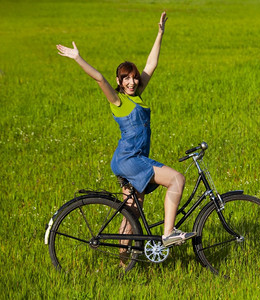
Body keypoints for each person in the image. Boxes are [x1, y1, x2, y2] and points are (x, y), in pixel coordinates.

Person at [56, 12, 195, 259]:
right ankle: (168, 232)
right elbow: (99, 78)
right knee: (177, 179)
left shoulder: (137, 96)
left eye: (134, 78)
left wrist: (160, 33)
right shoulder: (118, 101)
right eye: (126, 78)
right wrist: (78, 58)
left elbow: (151, 65)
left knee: (131, 211)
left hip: (130, 160)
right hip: (131, 160)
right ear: (119, 82)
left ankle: (123, 264)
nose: (131, 82)